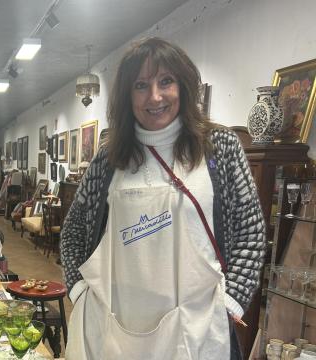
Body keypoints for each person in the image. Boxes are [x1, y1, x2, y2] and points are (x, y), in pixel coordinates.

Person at [61, 37, 265, 360]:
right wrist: (78, 289)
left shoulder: (220, 148)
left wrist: (231, 300)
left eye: (165, 81)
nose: (154, 96)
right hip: (117, 331)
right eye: (141, 85)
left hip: (198, 331)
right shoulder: (108, 158)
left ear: (182, 86)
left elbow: (251, 232)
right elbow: (72, 232)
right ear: (127, 96)